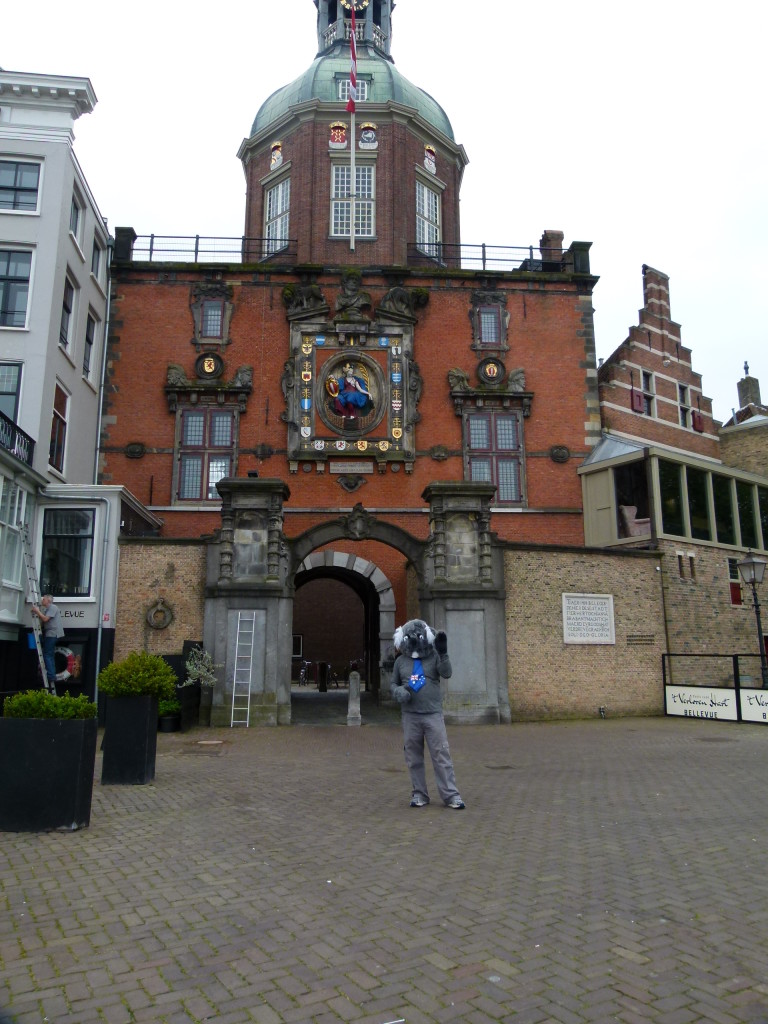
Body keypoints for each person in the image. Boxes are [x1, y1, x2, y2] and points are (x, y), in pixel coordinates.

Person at [390, 618, 465, 810]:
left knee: (441, 754)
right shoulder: (400, 662)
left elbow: (447, 673)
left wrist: (444, 653)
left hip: (432, 714)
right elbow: (393, 684)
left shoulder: (433, 657)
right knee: (413, 757)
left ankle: (451, 795)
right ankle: (419, 793)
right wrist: (399, 692)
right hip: (410, 716)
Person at [30, 594, 64, 688]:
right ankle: (51, 674)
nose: (42, 600)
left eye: (43, 599)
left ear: (48, 600)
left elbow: (45, 619)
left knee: (47, 654)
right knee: (49, 654)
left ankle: (51, 675)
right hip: (50, 634)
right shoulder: (47, 609)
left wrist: (37, 611)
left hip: (53, 634)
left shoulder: (53, 607)